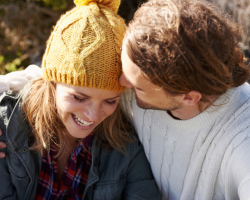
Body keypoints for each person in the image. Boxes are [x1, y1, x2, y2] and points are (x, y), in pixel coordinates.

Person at [1, 0, 250, 199]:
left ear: (188, 97)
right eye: (80, 96)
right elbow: (60, 77)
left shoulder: (241, 139)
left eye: (116, 97)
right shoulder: (134, 85)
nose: (121, 83)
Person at [0, 0, 161, 199]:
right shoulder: (7, 129)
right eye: (79, 97)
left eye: (110, 101)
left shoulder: (124, 146)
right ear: (52, 82)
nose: (93, 115)